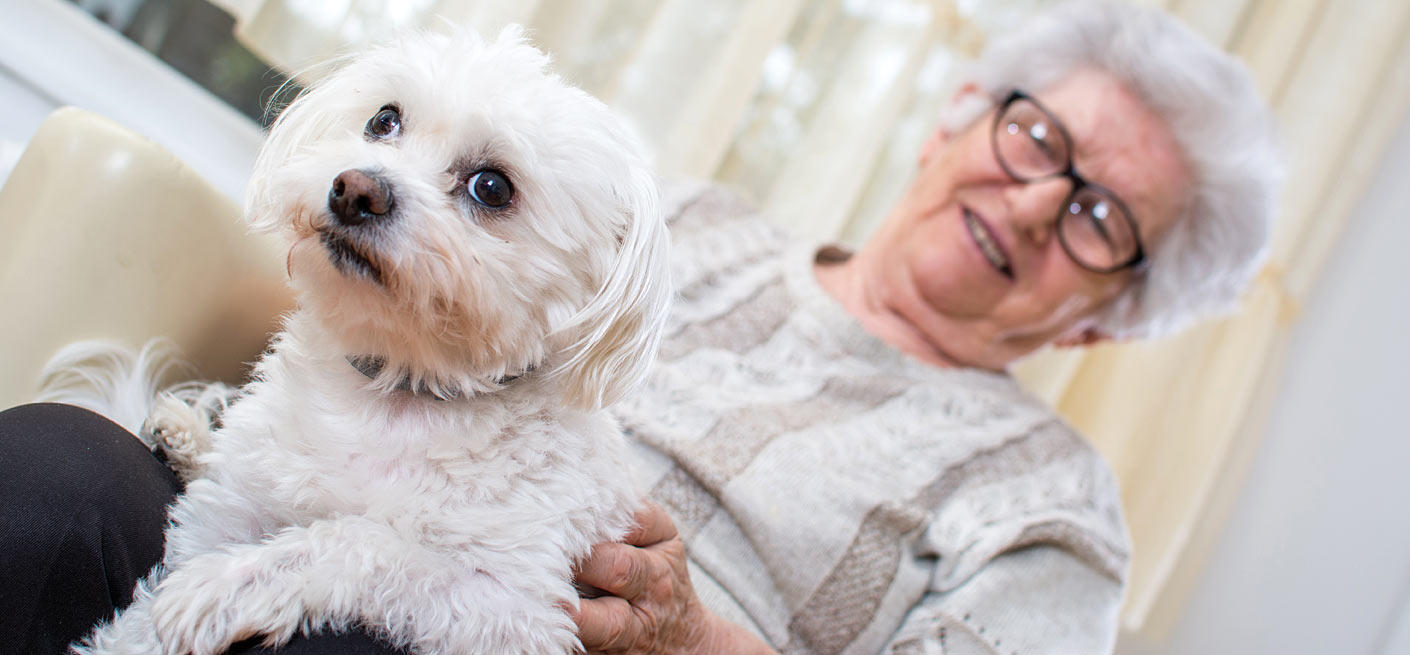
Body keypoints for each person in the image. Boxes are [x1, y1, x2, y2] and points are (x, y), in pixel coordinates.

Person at [0, 1, 1278, 654]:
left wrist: (692, 638)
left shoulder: (1052, 501)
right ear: (954, 117)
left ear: (1117, 317)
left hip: (470, 617)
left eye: (1105, 217)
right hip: (329, 517)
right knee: (53, 483)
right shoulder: (696, 224)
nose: (1039, 197)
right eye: (1036, 135)